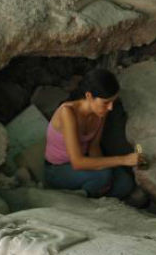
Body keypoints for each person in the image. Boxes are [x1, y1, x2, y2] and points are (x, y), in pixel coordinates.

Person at [44, 68, 144, 199]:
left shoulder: (100, 112)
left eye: (112, 101)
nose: (110, 107)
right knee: (104, 175)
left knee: (125, 183)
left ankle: (93, 191)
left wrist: (103, 170)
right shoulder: (67, 113)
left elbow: (94, 146)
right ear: (89, 96)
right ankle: (82, 200)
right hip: (58, 169)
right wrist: (123, 160)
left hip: (83, 163)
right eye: (106, 102)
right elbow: (77, 162)